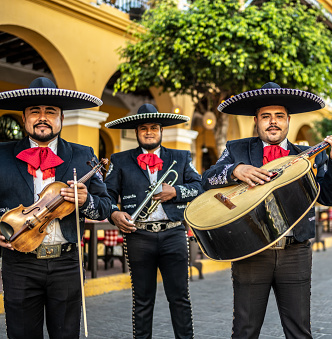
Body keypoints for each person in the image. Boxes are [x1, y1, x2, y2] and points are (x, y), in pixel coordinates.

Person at [201, 82, 332, 338]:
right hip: (250, 250)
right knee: (245, 330)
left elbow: (331, 197)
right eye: (266, 116)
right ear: (256, 121)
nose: (273, 122)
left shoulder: (309, 155)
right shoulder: (237, 149)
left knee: (299, 331)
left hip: (295, 252)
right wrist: (235, 170)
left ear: (288, 120)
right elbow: (207, 178)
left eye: (279, 116)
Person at [0, 77, 111, 339]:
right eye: (34, 111)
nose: (42, 118)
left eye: (50, 112)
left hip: (66, 262)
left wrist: (87, 202)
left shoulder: (84, 154)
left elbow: (105, 207)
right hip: (19, 263)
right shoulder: (1, 154)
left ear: (61, 118)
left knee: (66, 334)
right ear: (24, 117)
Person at [104, 103, 202, 339]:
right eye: (143, 128)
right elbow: (106, 197)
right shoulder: (120, 159)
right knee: (142, 300)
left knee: (180, 298)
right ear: (136, 132)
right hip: (138, 236)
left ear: (161, 131)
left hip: (173, 233)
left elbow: (199, 187)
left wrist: (176, 192)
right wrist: (114, 214)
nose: (149, 132)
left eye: (154, 128)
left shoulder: (181, 156)